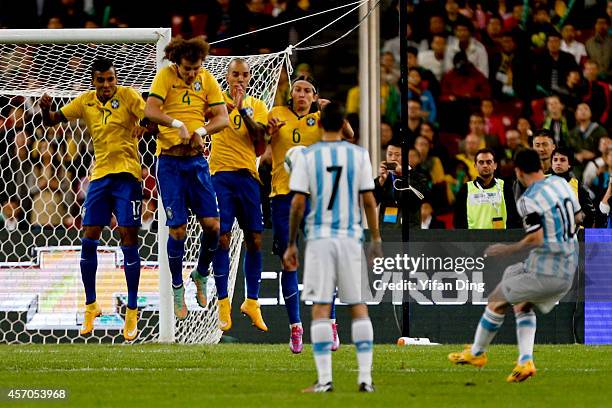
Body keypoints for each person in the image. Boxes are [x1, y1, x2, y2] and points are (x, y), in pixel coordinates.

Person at [449, 148, 582, 382]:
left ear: (519, 171)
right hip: (567, 267)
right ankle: (525, 362)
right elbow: (580, 217)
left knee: (495, 299)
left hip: (547, 270)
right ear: (542, 166)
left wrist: (506, 249)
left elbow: (537, 237)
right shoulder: (563, 185)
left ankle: (477, 353)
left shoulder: (528, 199)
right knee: (521, 301)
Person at [39, 58, 147, 340]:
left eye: (110, 79)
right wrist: (45, 108)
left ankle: (132, 311)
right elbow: (51, 121)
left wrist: (144, 127)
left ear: (116, 78)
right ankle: (91, 305)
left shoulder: (129, 96)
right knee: (88, 237)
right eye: (101, 80)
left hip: (127, 176)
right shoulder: (85, 102)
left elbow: (151, 119)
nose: (107, 85)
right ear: (93, 82)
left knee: (128, 238)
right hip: (99, 176)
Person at [282, 101, 381, 393]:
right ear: (343, 126)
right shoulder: (359, 155)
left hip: (321, 239)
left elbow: (298, 203)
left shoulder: (308, 157)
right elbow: (368, 201)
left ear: (321, 125)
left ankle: (325, 381)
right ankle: (365, 379)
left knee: (321, 309)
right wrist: (375, 238)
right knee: (359, 307)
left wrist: (290, 244)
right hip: (351, 237)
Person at [144, 37, 229, 320]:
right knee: (177, 230)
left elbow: (222, 118)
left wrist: (201, 132)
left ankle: (201, 273)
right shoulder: (164, 76)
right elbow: (151, 110)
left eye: (196, 68)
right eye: (187, 69)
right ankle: (177, 286)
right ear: (177, 63)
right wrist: (178, 124)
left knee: (214, 227)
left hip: (196, 162)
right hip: (169, 162)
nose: (192, 73)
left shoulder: (206, 79)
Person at [266, 75, 352, 353]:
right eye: (297, 90)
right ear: (291, 94)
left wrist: (333, 111)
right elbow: (259, 145)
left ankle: (330, 323)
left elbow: (349, 135)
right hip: (283, 196)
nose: (301, 94)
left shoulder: (322, 118)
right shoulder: (276, 114)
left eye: (307, 91)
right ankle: (296, 328)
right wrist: (267, 131)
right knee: (289, 261)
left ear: (315, 96)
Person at [208, 58, 268, 332]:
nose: (239, 79)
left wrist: (244, 110)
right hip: (220, 176)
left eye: (244, 75)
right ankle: (223, 303)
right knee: (222, 236)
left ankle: (251, 302)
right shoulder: (215, 101)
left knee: (254, 239)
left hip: (248, 177)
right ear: (227, 76)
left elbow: (259, 143)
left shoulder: (257, 106)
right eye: (235, 74)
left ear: (250, 77)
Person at [453, 148, 519, 229]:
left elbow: (514, 217)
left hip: (500, 239)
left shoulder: (505, 187)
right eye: (481, 162)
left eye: (489, 162)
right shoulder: (465, 189)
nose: (485, 165)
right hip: (474, 240)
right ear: (475, 166)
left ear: (495, 165)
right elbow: (458, 221)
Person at [550, 147, 595, 228]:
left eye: (562, 160)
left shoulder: (578, 186)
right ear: (552, 164)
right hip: (549, 234)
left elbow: (590, 214)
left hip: (576, 234)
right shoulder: (542, 183)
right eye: (555, 160)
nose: (558, 163)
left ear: (569, 164)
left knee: (607, 236)